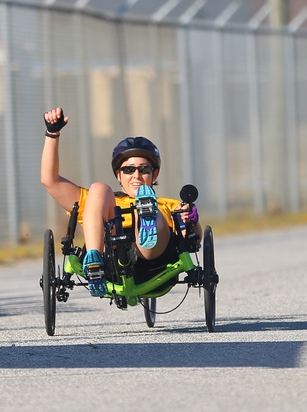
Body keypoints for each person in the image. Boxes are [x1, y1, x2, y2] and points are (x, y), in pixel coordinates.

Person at [40, 107, 201, 297]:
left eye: (144, 170)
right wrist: (52, 133)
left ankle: (146, 218)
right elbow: (50, 181)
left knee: (155, 212)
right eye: (128, 170)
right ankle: (95, 260)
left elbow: (193, 239)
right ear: (118, 174)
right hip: (111, 264)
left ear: (154, 173)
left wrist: (191, 220)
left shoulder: (169, 205)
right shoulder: (97, 202)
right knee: (99, 189)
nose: (137, 176)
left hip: (155, 266)